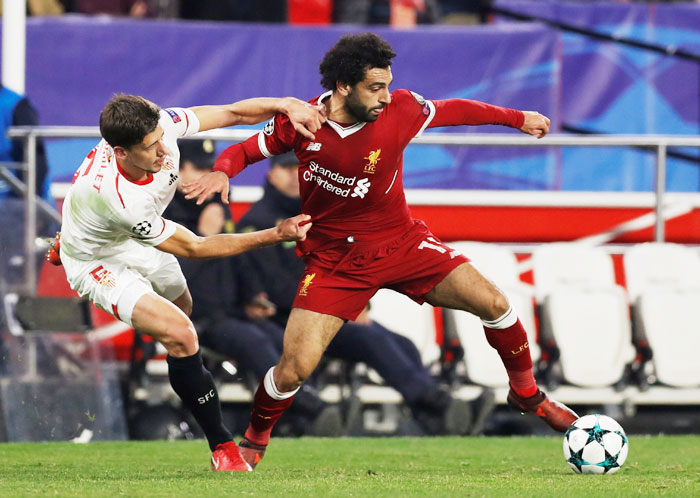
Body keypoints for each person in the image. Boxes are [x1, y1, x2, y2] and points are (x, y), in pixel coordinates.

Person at [185, 32, 578, 470]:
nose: (386, 96)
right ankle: (256, 438)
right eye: (375, 87)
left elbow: (454, 110)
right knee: (294, 369)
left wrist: (516, 117)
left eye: (388, 84)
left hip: (403, 243)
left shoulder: (401, 109)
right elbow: (244, 150)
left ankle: (527, 393)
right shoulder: (302, 121)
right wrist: (222, 172)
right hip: (335, 263)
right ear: (342, 87)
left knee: (496, 304)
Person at [51, 93, 323, 471]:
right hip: (98, 260)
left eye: (162, 137)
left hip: (129, 238)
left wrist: (284, 105)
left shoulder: (160, 127)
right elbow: (195, 247)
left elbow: (229, 112)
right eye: (151, 147)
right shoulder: (117, 199)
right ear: (120, 153)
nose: (164, 150)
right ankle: (223, 447)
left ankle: (71, 239)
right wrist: (274, 234)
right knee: (181, 334)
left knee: (185, 313)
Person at [237, 152, 493, 436]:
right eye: (285, 168)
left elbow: (349, 264)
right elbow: (275, 287)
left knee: (402, 343)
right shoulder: (259, 222)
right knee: (371, 340)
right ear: (271, 174)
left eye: (299, 169)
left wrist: (360, 304)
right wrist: (339, 303)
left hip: (327, 309)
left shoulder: (320, 216)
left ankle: (432, 414)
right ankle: (435, 405)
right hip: (291, 319)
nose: (293, 175)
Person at [164, 139, 345, 437]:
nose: (209, 176)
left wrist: (252, 297)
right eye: (201, 168)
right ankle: (309, 408)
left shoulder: (216, 203)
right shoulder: (165, 215)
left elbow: (238, 260)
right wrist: (203, 236)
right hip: (196, 320)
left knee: (281, 338)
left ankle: (303, 406)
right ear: (178, 171)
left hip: (233, 312)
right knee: (254, 342)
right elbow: (168, 280)